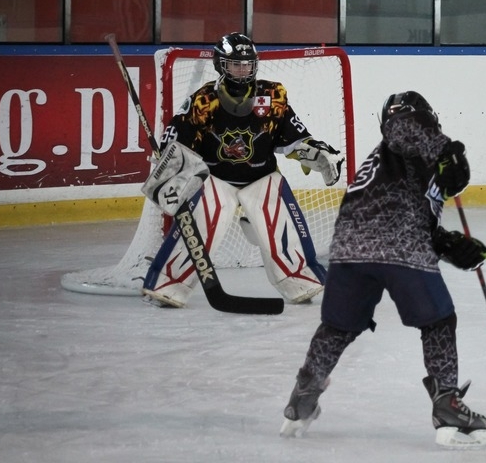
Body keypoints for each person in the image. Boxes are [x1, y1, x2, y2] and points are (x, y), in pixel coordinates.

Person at [279, 91, 486, 448]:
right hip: (397, 245)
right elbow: (403, 126)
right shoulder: (409, 134)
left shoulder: (399, 162)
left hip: (350, 249)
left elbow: (409, 214)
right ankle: (447, 405)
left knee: (336, 328)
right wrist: (445, 147)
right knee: (438, 321)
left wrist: (451, 246)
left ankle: (303, 396)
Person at [139, 32, 344, 307]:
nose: (242, 69)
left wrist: (314, 152)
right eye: (235, 64)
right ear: (221, 64)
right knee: (203, 222)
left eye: (247, 64)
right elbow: (179, 135)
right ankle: (168, 284)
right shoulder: (204, 101)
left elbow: (294, 138)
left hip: (262, 177)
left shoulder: (273, 96)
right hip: (215, 178)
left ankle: (299, 280)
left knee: (280, 225)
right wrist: (167, 155)